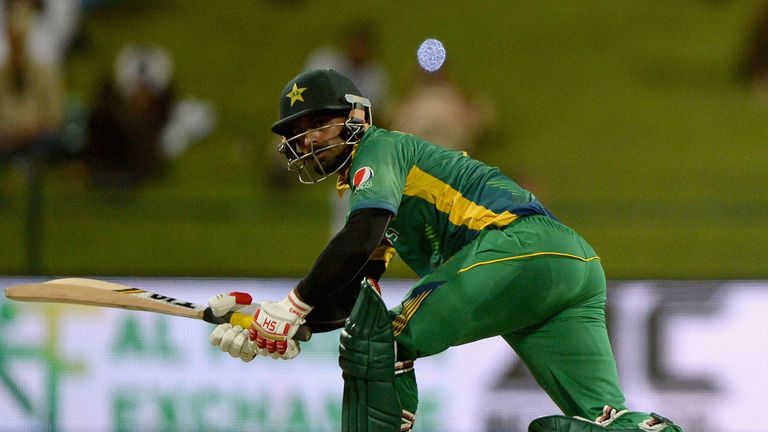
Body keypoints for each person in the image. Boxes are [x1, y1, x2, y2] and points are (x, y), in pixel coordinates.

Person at [207, 69, 684, 432]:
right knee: (600, 416)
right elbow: (356, 294)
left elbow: (359, 237)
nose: (309, 138)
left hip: (518, 247)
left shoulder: (379, 150)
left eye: (319, 123)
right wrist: (282, 327)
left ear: (356, 116)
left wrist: (289, 307)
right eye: (299, 131)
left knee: (380, 342)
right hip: (569, 265)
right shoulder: (381, 194)